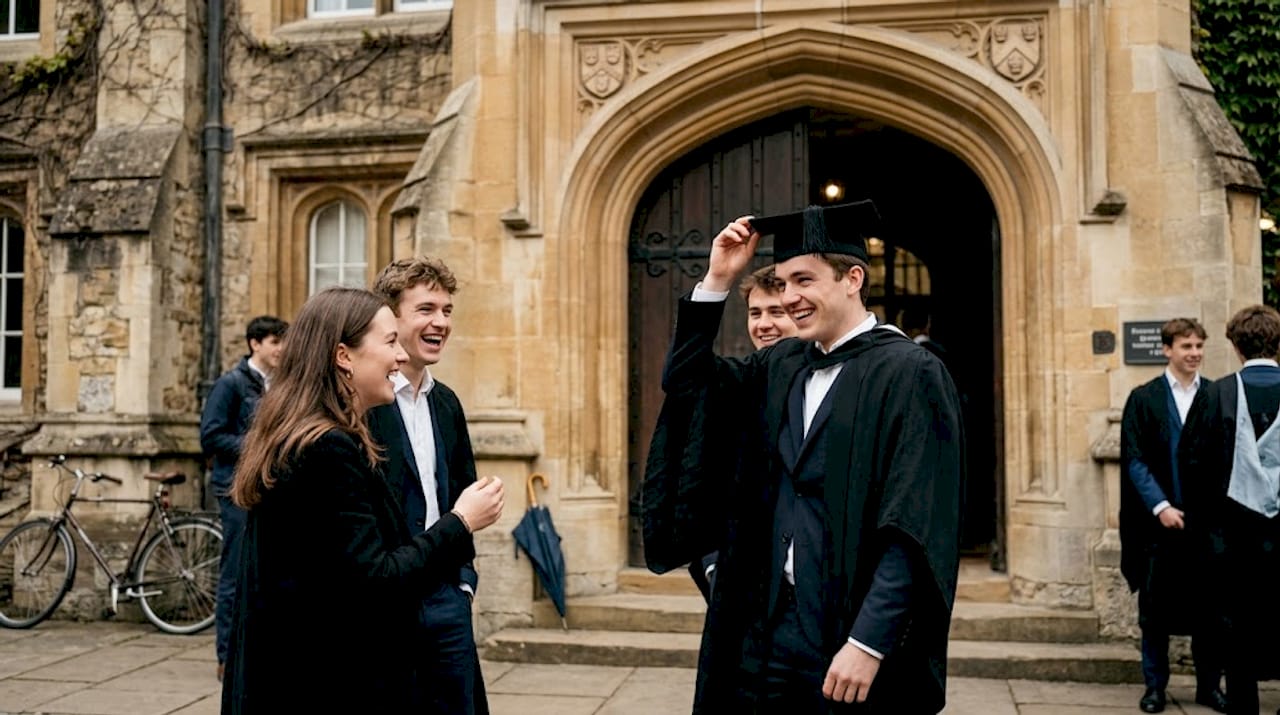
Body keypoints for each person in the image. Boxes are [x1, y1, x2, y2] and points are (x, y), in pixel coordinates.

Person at [642, 201, 964, 713]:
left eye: (804, 281)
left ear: (852, 278)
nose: (790, 298)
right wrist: (717, 279)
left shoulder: (910, 374)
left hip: (847, 632)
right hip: (762, 629)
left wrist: (869, 642)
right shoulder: (780, 365)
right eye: (785, 283)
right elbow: (685, 386)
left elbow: (915, 521)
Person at [221, 287, 505, 715]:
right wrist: (461, 520)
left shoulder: (307, 436)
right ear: (343, 356)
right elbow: (376, 578)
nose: (399, 358)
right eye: (389, 342)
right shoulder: (327, 450)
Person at [367, 257, 488, 715]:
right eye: (426, 309)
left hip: (445, 599)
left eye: (447, 310)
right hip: (384, 602)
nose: (441, 321)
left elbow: (461, 490)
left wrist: (464, 583)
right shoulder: (364, 403)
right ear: (390, 318)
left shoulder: (447, 402)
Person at [1118, 317, 1226, 714]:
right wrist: (1160, 507)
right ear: (1167, 350)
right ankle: (1154, 687)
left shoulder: (1217, 396)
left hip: (1205, 527)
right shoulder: (1143, 399)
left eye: (1199, 346)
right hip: (1157, 529)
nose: (1194, 353)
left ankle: (1209, 687)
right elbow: (1135, 460)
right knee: (1155, 614)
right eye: (1186, 346)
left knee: (1209, 613)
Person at [1180, 304, 1280, 715]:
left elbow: (1190, 464)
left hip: (1231, 544)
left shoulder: (1215, 394)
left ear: (1236, 346)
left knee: (1237, 634)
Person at [688, 265, 798, 602]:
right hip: (740, 585)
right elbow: (701, 483)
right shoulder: (734, 387)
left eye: (776, 312)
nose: (763, 324)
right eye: (755, 313)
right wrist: (712, 566)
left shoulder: (836, 386)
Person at [199, 315, 287, 682]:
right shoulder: (231, 384)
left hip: (267, 489)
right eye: (275, 342)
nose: (282, 349)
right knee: (235, 575)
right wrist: (258, 447)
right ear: (255, 344)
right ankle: (226, 657)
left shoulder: (279, 385)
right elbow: (211, 436)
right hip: (234, 489)